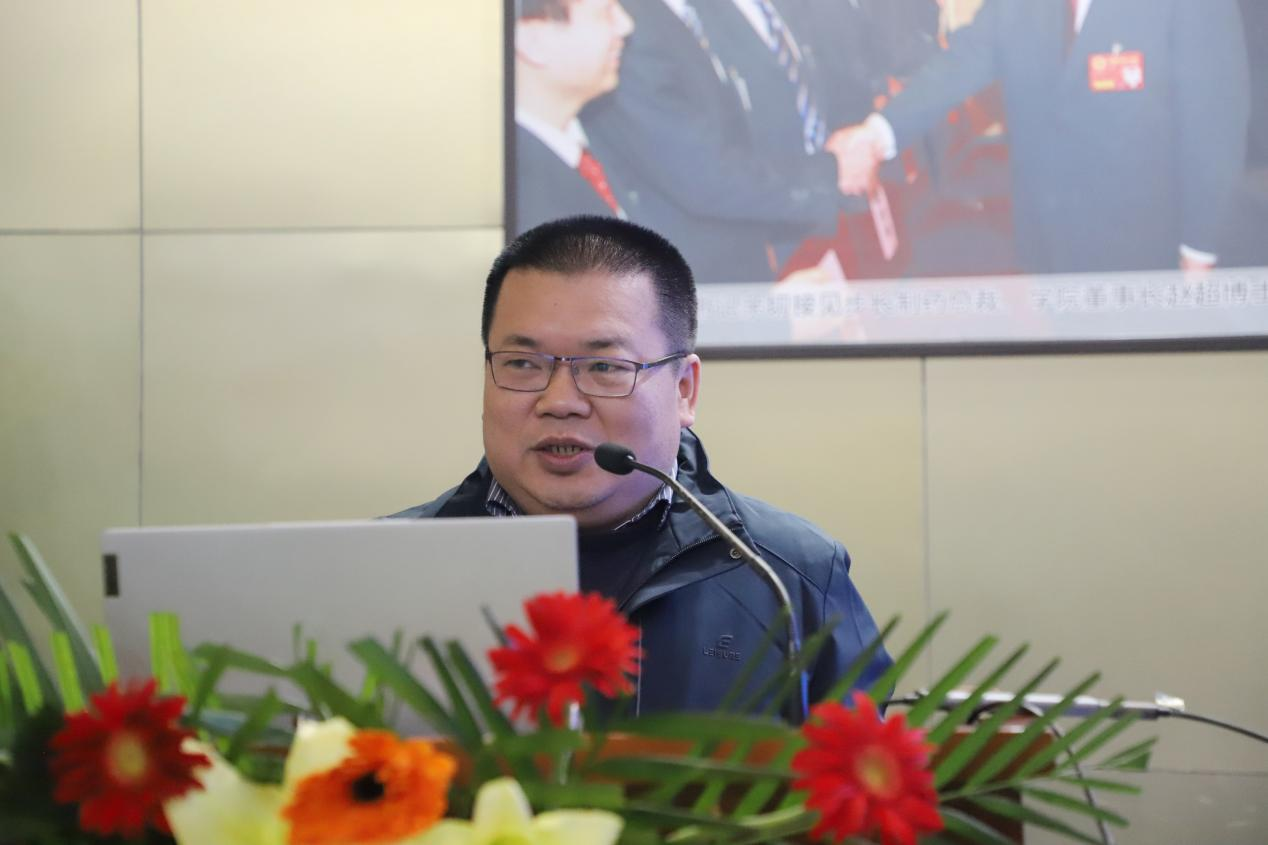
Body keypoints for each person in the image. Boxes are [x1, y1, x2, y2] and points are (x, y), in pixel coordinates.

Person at [388, 215, 891, 716]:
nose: (559, 402)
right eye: (522, 364)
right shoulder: (389, 569)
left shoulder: (786, 574)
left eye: (604, 367)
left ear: (684, 390)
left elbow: (857, 758)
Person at [828, 0, 1251, 274]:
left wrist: (1200, 250)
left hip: (1144, 250)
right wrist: (876, 134)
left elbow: (1214, 126)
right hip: (1046, 242)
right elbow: (962, 60)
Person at [513, 0, 638, 232]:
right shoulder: (525, 206)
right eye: (607, 11)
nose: (626, 25)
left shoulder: (596, 136)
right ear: (534, 42)